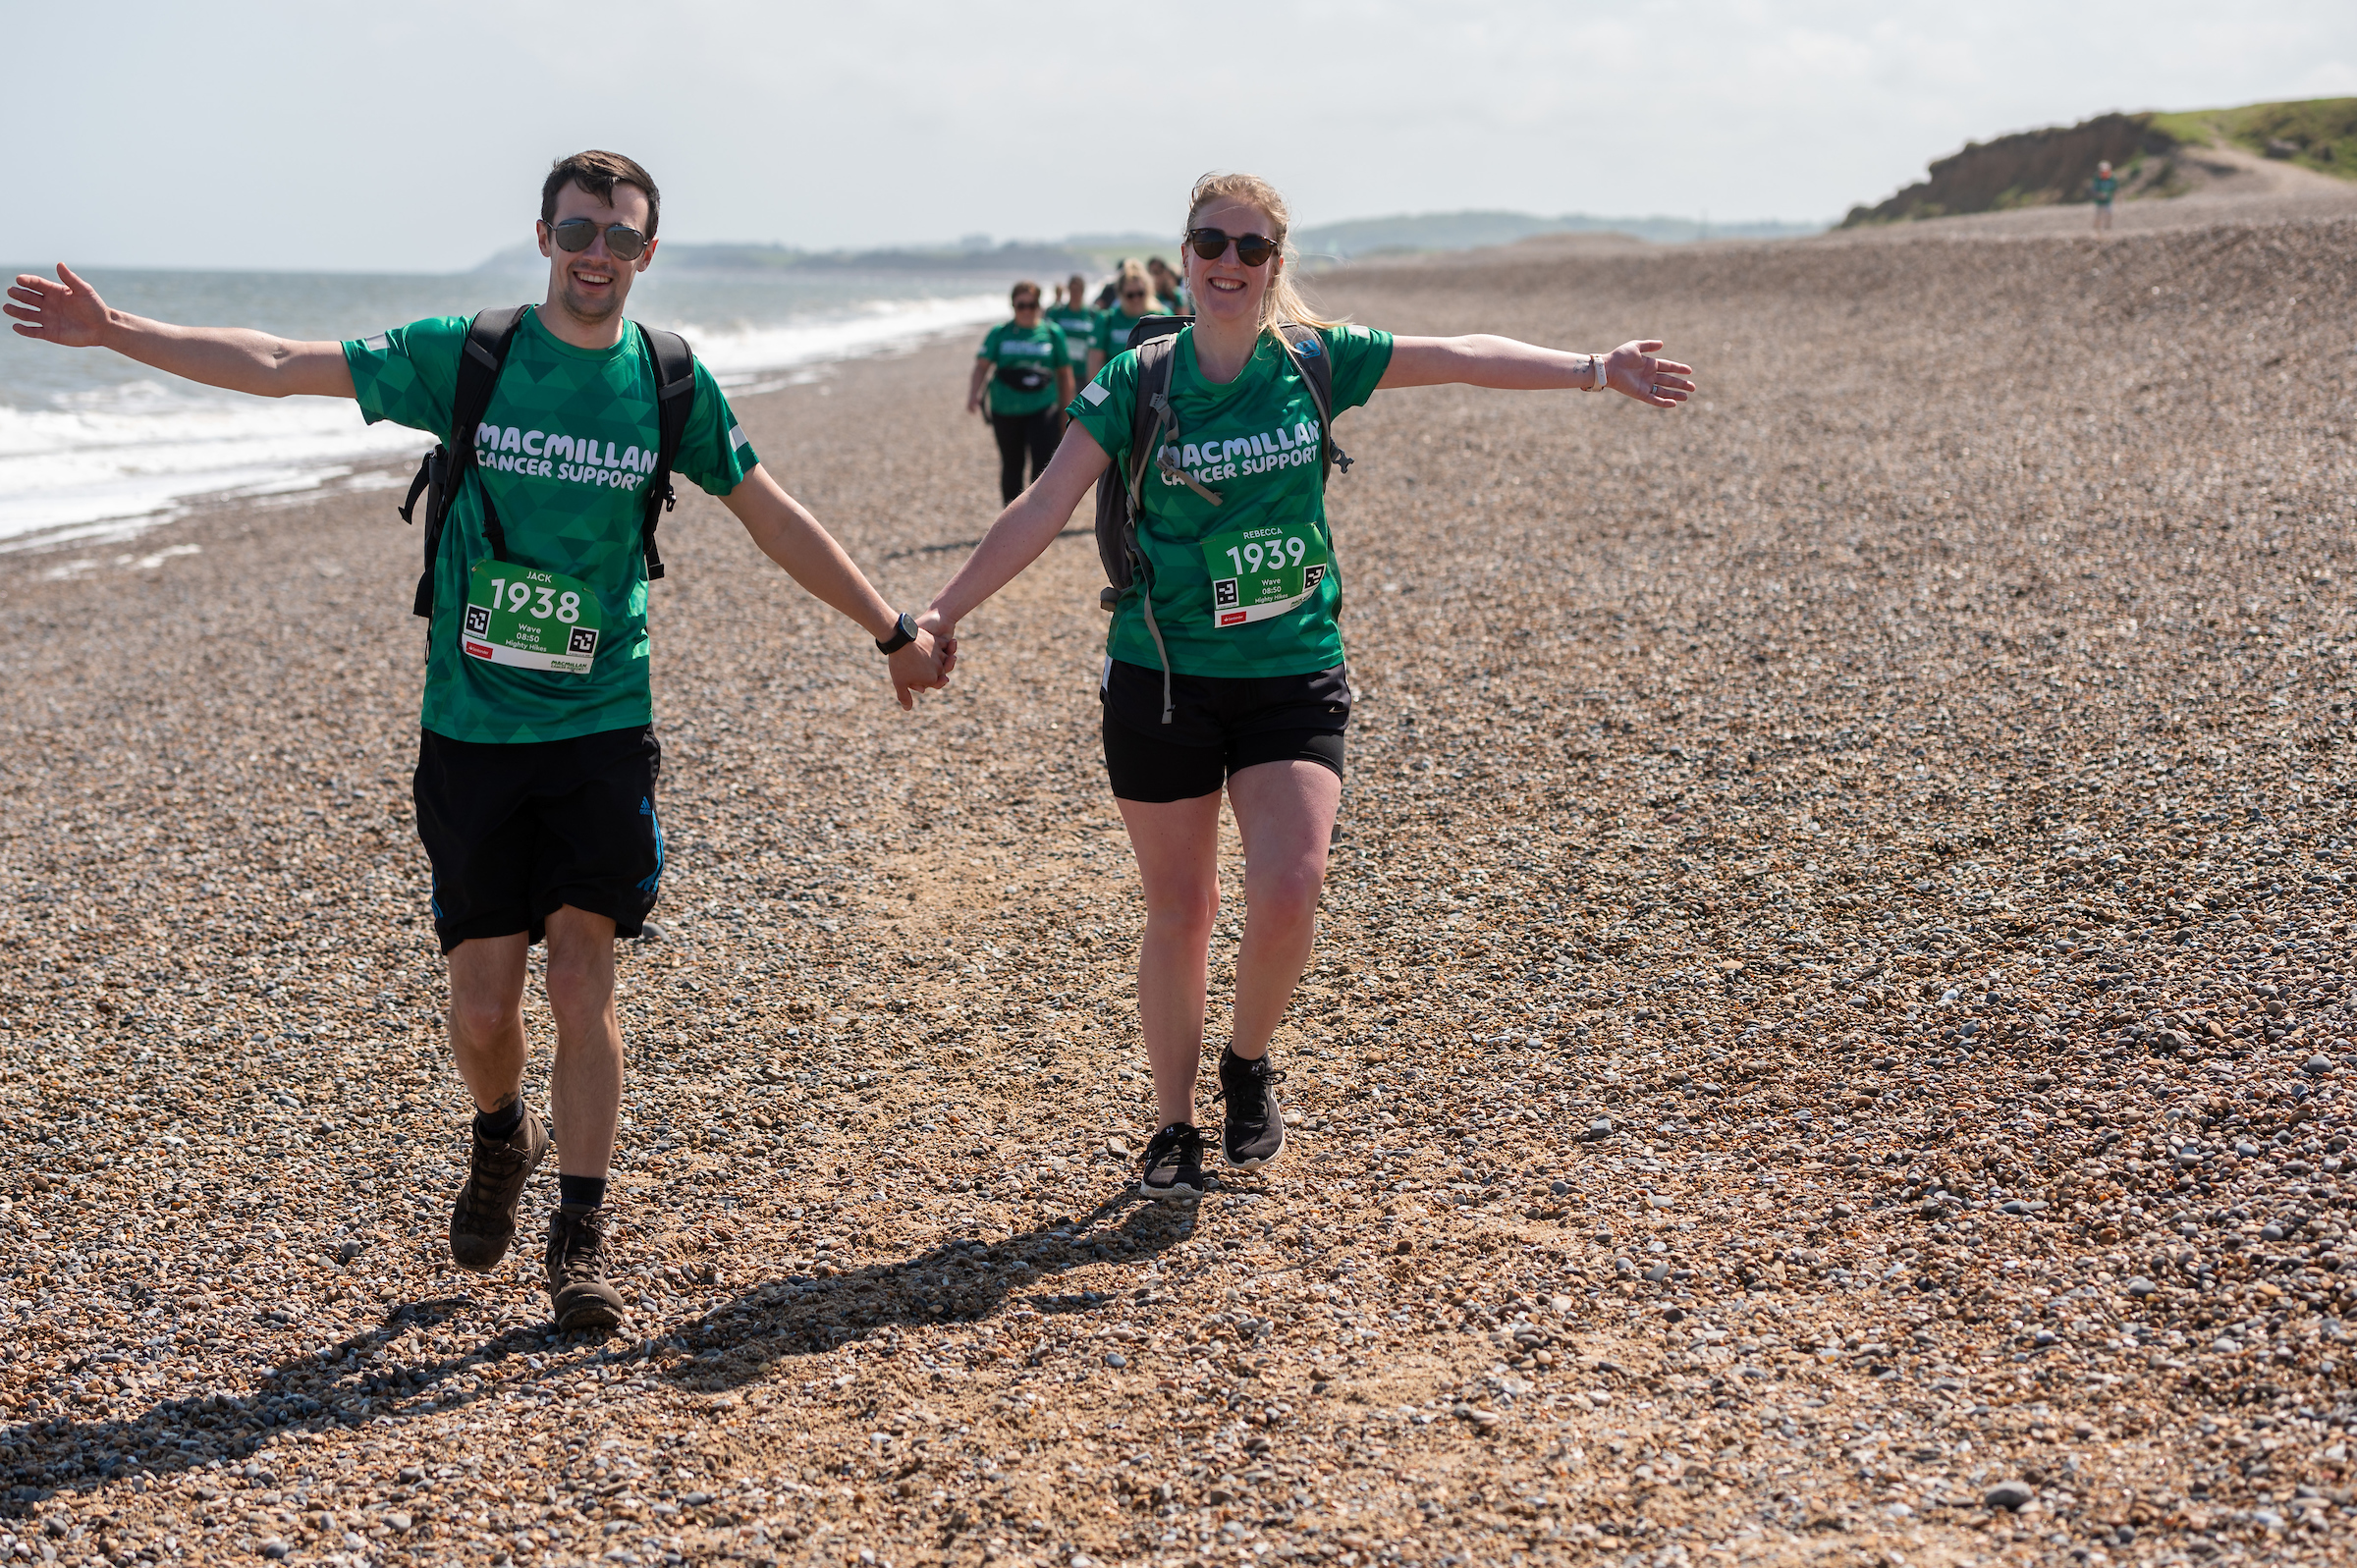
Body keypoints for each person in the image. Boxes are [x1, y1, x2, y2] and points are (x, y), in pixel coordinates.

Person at [6, 150, 948, 1329]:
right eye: (577, 228)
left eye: (619, 234)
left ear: (648, 253)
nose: (596, 250)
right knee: (485, 1009)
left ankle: (583, 1231)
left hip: (603, 720)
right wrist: (114, 331)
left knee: (581, 971)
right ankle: (503, 1131)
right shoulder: (472, 357)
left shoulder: (667, 383)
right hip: (471, 731)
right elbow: (282, 363)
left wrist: (890, 627)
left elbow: (769, 512)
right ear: (543, 235)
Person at [916, 172, 1692, 1199]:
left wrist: (1596, 370)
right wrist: (943, 611)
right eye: (1210, 242)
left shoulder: (1316, 361)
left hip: (1291, 670)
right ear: (1184, 255)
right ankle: (1174, 1125)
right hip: (1161, 676)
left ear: (1276, 265)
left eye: (1251, 247)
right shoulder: (1133, 381)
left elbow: (1461, 355)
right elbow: (1044, 504)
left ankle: (1247, 1063)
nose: (1228, 262)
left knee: (1292, 882)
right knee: (1181, 907)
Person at [966, 281, 1075, 504]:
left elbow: (1064, 374)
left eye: (1032, 304)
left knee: (1043, 464)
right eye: (1021, 305)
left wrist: (1068, 411)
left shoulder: (1052, 333)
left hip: (1043, 408)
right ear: (1013, 306)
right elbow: (982, 366)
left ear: (1039, 305)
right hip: (1006, 409)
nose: (1026, 310)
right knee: (1012, 464)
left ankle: (1038, 516)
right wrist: (973, 395)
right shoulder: (1000, 333)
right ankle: (1010, 516)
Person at [1089, 260, 1172, 381]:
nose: (1136, 299)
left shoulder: (1162, 317)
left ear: (1148, 291)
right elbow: (1094, 363)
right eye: (1130, 295)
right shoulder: (1107, 320)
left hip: (1156, 393)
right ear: (1120, 294)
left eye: (1140, 293)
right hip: (1117, 392)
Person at [2091, 160, 2118, 232]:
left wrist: (2118, 198)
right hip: (2099, 202)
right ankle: (2096, 230)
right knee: (2098, 216)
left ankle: (2108, 229)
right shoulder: (2097, 179)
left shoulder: (2112, 179)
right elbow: (2094, 190)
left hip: (2108, 201)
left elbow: (2115, 189)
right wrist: (2099, 195)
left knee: (2109, 214)